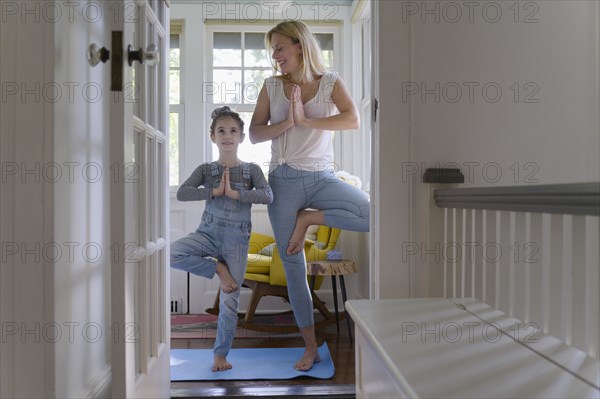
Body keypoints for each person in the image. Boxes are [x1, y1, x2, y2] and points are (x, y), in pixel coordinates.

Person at [249, 21, 370, 371]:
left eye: (280, 47)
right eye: (272, 49)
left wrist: (306, 120)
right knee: (293, 264)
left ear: (300, 46)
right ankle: (310, 347)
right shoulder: (272, 86)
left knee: (369, 214)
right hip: (283, 181)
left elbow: (352, 120)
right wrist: (287, 122)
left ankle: (309, 219)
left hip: (322, 177)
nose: (275, 55)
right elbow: (255, 134)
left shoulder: (329, 82)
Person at [170, 106, 273, 371]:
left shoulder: (251, 170)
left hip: (236, 241)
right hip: (208, 232)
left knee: (230, 299)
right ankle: (217, 268)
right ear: (213, 136)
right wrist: (215, 190)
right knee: (169, 253)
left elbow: (267, 195)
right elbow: (183, 192)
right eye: (221, 131)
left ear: (240, 137)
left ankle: (220, 356)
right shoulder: (206, 169)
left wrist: (236, 195)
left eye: (233, 131)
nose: (227, 136)